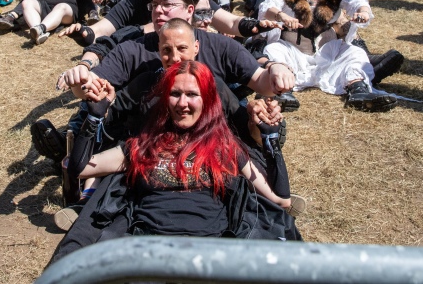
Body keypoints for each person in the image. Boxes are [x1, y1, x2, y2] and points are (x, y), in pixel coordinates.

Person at [54, 60, 296, 247]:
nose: (182, 103)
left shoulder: (225, 147)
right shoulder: (142, 145)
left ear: (207, 100)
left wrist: (270, 137)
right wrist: (95, 115)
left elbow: (280, 200)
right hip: (148, 251)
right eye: (175, 93)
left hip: (211, 253)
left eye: (192, 94)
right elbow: (79, 168)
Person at [260, 0, 396, 111]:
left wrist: (364, 13)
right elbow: (267, 8)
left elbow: (357, 2)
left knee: (355, 53)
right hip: (292, 52)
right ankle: (283, 92)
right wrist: (282, 15)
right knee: (274, 51)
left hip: (326, 54)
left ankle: (358, 91)